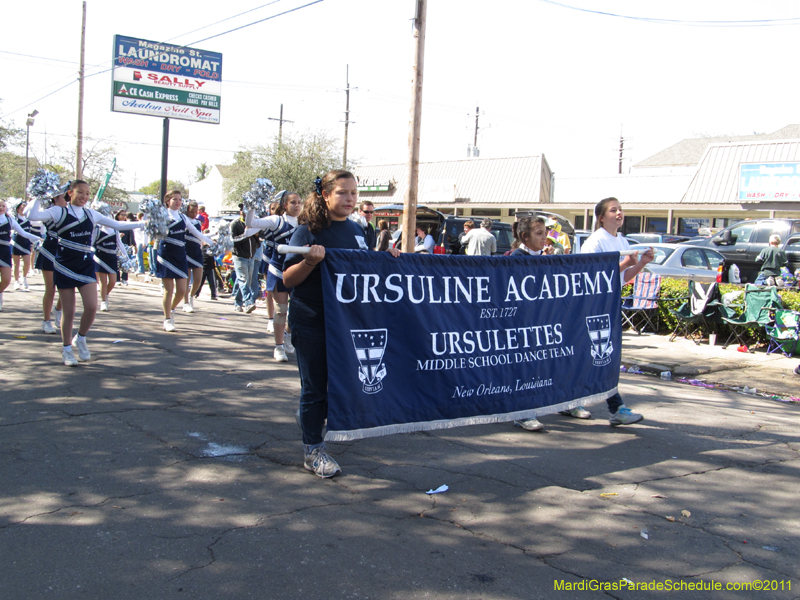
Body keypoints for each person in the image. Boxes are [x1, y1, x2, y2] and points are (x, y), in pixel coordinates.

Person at [283, 170, 399, 478]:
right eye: (342, 192)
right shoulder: (307, 231)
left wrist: (386, 258)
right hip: (312, 320)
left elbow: (364, 270)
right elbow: (287, 279)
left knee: (342, 385)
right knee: (315, 389)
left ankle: (309, 419)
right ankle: (313, 451)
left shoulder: (359, 230)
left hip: (348, 322)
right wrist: (309, 261)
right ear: (325, 195)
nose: (350, 199)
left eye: (354, 193)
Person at [26, 180, 143, 366]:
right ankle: (66, 350)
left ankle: (80, 338)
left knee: (91, 306)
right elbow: (32, 215)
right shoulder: (59, 212)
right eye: (80, 192)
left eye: (87, 193)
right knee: (69, 310)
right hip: (65, 264)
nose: (84, 196)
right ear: (70, 193)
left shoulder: (91, 213)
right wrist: (39, 195)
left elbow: (118, 225)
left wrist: (146, 223)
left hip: (85, 264)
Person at [573, 197, 654, 426]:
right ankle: (615, 408)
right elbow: (593, 278)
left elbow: (622, 279)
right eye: (613, 210)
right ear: (601, 217)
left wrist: (641, 263)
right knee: (599, 356)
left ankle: (573, 401)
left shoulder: (622, 240)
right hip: (593, 306)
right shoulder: (595, 242)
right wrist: (625, 263)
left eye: (620, 209)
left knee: (595, 356)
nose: (619, 213)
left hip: (610, 305)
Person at [508, 215, 555, 432]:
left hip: (538, 321)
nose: (544, 237)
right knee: (522, 368)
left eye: (545, 233)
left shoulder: (540, 256)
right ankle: (522, 413)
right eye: (539, 233)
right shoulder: (517, 257)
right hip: (520, 322)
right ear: (525, 236)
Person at [246, 190, 303, 362]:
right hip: (279, 269)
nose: (297, 206)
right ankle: (278, 347)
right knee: (281, 310)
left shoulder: (305, 222)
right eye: (293, 202)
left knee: (297, 310)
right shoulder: (276, 220)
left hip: (298, 270)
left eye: (299, 202)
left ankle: (288, 335)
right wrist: (251, 206)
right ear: (285, 205)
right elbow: (251, 223)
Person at [156, 190, 213, 332]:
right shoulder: (162, 215)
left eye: (180, 199)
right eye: (174, 199)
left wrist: (213, 243)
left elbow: (197, 233)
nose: (178, 202)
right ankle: (167, 319)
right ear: (168, 201)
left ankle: (171, 309)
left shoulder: (183, 217)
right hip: (166, 255)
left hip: (180, 255)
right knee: (169, 290)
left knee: (181, 290)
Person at [35, 183, 69, 332]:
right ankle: (46, 321)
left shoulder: (71, 212)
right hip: (49, 251)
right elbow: (32, 216)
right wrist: (38, 196)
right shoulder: (49, 212)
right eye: (64, 197)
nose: (67, 200)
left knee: (66, 287)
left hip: (65, 252)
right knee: (50, 288)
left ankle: (58, 310)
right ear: (55, 199)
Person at [0, 199, 43, 311]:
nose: (1, 208)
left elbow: (23, 233)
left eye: (3, 205)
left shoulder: (10, 220)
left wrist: (38, 238)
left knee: (6, 279)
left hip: (4, 251)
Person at [93, 206, 128, 312]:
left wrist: (125, 256)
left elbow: (119, 243)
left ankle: (105, 295)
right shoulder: (98, 230)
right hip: (100, 257)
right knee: (103, 281)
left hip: (112, 257)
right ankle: (104, 301)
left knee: (112, 281)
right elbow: (91, 242)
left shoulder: (114, 230)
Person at [230, 204, 262, 314]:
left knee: (246, 282)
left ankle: (237, 303)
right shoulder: (235, 224)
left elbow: (259, 241)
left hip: (251, 257)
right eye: (245, 212)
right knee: (243, 280)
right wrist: (246, 234)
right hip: (239, 257)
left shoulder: (254, 223)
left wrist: (256, 236)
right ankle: (248, 302)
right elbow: (233, 240)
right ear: (241, 212)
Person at [182, 201, 204, 313]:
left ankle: (191, 296)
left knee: (198, 279)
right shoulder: (183, 221)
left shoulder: (198, 222)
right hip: (186, 251)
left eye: (196, 212)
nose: (194, 214)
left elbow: (200, 236)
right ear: (187, 211)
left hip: (196, 252)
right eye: (192, 212)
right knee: (186, 278)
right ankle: (186, 302)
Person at [12, 201, 36, 290]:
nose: (23, 210)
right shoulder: (14, 219)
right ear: (17, 209)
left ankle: (24, 277)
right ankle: (16, 281)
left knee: (27, 262)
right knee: (16, 264)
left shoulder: (28, 219)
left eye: (25, 208)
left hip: (26, 243)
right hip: (16, 242)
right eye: (21, 208)